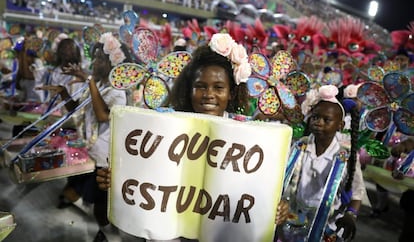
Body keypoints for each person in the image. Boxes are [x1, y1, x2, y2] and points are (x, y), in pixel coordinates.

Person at [95, 33, 252, 241]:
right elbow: (147, 174)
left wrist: (273, 209)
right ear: (190, 90)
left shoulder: (245, 135)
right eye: (200, 86)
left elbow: (253, 188)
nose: (208, 94)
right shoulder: (166, 126)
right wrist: (117, 178)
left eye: (219, 87)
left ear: (231, 93)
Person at [40, 32, 133, 242]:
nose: (95, 61)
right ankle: (105, 232)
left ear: (111, 63)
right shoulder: (98, 85)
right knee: (93, 201)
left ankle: (111, 236)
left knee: (101, 204)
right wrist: (64, 92)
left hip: (104, 158)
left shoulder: (117, 91)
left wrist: (88, 80)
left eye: (100, 58)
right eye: (95, 57)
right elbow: (77, 108)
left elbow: (102, 116)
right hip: (90, 153)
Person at [275, 85, 365, 241]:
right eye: (315, 117)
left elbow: (357, 192)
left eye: (326, 119)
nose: (318, 122)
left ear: (340, 125)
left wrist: (351, 215)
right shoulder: (299, 147)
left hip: (327, 223)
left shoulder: (345, 155)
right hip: (293, 219)